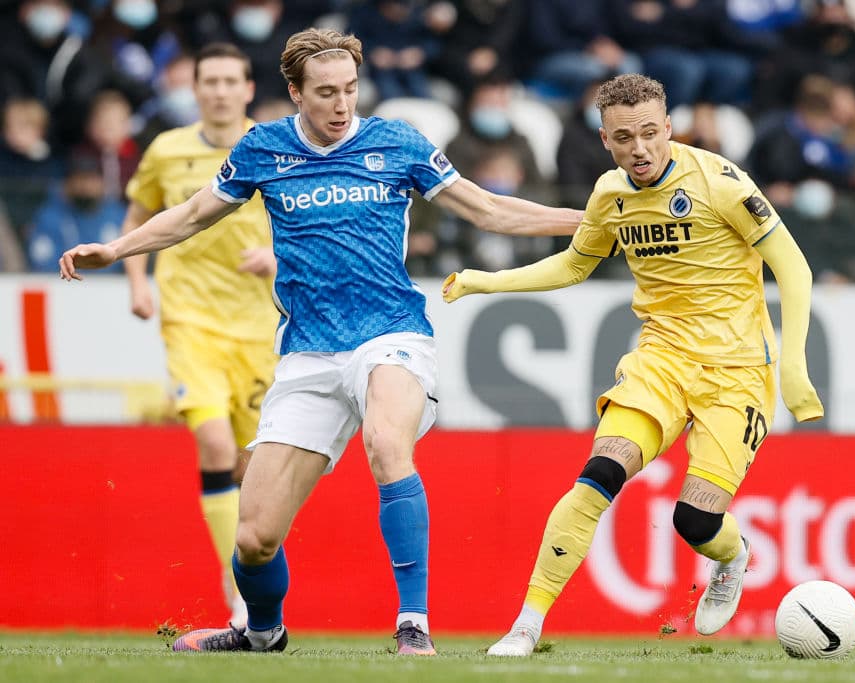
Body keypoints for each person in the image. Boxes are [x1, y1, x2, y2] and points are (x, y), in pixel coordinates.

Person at [59, 27, 581, 656]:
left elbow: (488, 209)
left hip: (391, 334)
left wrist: (591, 220)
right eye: (326, 92)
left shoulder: (397, 142)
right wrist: (116, 249)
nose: (341, 105)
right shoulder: (264, 149)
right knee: (254, 538)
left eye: (350, 90)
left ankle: (413, 623)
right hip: (307, 351)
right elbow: (193, 214)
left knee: (386, 442)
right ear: (295, 93)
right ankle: (261, 632)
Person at [442, 74, 824, 656]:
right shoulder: (609, 196)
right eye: (624, 138)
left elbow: (793, 267)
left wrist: (793, 365)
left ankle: (733, 557)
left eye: (650, 133)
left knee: (694, 522)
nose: (640, 148)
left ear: (668, 127)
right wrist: (485, 282)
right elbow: (574, 265)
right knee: (599, 475)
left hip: (736, 371)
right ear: (605, 140)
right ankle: (526, 626)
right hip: (660, 361)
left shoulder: (720, 182)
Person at [120, 42, 278, 633]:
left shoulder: (274, 147)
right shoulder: (166, 150)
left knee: (252, 469)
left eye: (229, 81)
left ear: (247, 89)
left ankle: (253, 582)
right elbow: (137, 217)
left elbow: (306, 225)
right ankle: (234, 588)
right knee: (213, 445)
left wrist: (277, 257)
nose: (218, 91)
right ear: (195, 90)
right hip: (190, 322)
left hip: (260, 330)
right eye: (208, 81)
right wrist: (138, 282)